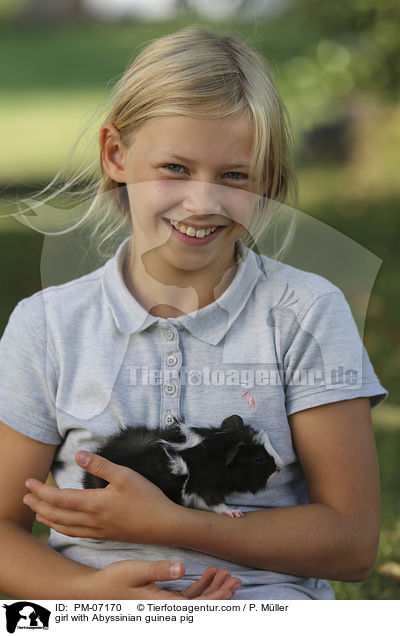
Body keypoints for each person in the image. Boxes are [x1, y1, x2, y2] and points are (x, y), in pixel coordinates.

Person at [0, 26, 387, 600]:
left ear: (267, 183)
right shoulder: (47, 326)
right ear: (116, 155)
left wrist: (172, 524)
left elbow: (352, 542)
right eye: (175, 169)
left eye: (234, 176)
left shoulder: (306, 312)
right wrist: (105, 597)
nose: (202, 203)